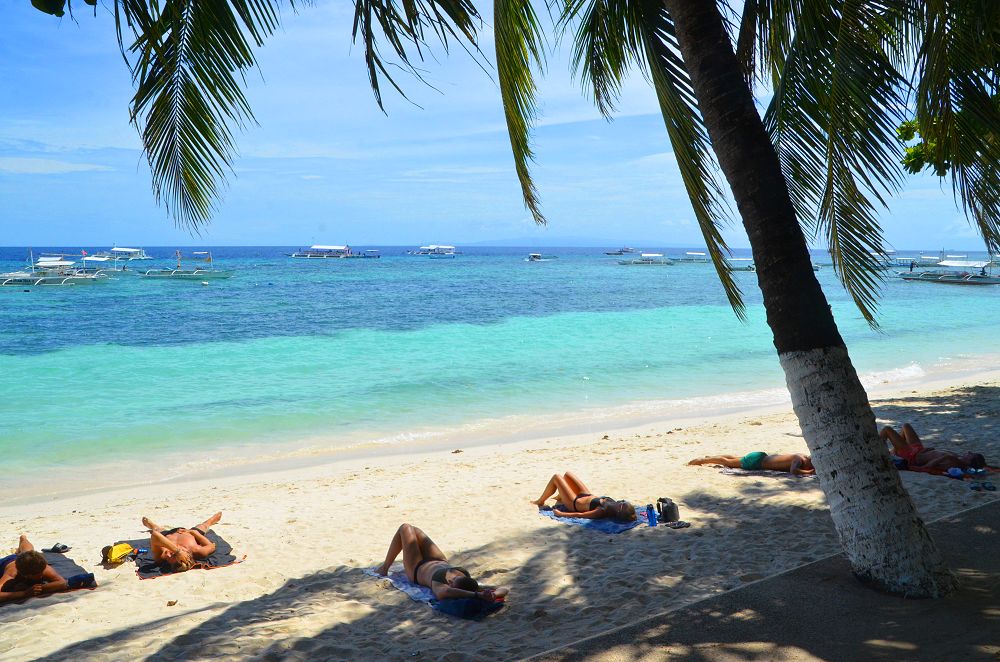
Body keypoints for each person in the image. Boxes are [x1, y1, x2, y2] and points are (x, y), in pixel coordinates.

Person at [375, 524, 508, 603]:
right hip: (438, 559)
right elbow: (505, 589)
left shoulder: (440, 586)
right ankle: (385, 566)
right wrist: (492, 595)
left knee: (405, 528)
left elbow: (445, 593)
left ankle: (385, 568)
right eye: (457, 578)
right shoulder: (471, 584)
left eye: (453, 582)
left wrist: (475, 596)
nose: (452, 578)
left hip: (416, 567)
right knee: (414, 530)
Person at [530, 471, 637, 521]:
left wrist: (560, 513)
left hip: (574, 502)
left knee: (556, 477)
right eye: (625, 502)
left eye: (623, 505)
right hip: (586, 494)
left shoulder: (602, 511)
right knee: (567, 474)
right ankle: (561, 497)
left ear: (619, 511)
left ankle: (540, 501)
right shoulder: (615, 503)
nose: (622, 502)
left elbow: (581, 515)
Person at [881, 424, 987, 471]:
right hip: (919, 449)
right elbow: (981, 464)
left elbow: (929, 466)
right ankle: (895, 451)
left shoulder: (954, 462)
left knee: (887, 429)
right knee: (906, 426)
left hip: (912, 455)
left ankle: (875, 450)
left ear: (969, 461)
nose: (969, 452)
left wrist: (919, 468)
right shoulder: (959, 458)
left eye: (971, 454)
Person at [142, 512, 221, 572]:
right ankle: (211, 520)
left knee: (157, 529)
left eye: (171, 555)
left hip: (167, 535)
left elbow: (155, 535)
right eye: (174, 555)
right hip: (187, 533)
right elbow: (212, 546)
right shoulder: (197, 551)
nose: (169, 553)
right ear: (187, 556)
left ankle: (151, 525)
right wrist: (192, 532)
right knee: (204, 526)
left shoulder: (162, 557)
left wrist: (177, 551)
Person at [0, 535, 69, 604]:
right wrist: (24, 593)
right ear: (26, 575)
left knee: (28, 551)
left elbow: (62, 583)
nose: (42, 576)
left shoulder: (43, 568)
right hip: (5, 562)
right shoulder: (12, 573)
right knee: (25, 553)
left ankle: (23, 539)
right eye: (39, 575)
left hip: (23, 557)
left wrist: (41, 588)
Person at [688, 452, 815, 475]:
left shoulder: (801, 456)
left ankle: (711, 457)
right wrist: (810, 472)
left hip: (762, 456)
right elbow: (794, 471)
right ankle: (702, 461)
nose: (809, 467)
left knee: (734, 459)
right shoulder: (799, 460)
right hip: (757, 462)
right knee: (728, 462)